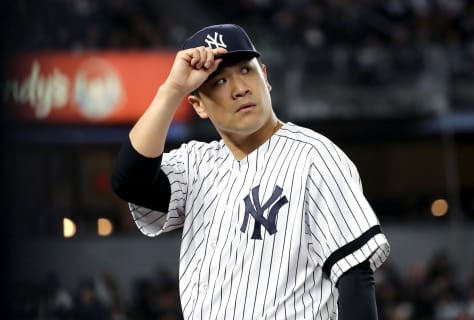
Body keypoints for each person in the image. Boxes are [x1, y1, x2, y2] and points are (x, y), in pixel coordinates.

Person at [112, 23, 390, 320]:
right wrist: (171, 90)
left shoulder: (314, 156)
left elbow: (355, 277)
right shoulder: (196, 164)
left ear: (265, 77)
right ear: (198, 105)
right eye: (218, 81)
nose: (240, 88)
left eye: (246, 70)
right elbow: (130, 182)